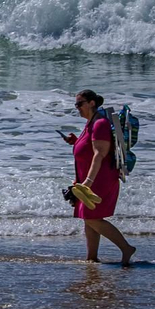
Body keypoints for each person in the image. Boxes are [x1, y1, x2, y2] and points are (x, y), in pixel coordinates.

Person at [61, 89, 136, 266]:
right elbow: (89, 147)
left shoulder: (100, 123)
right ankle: (92, 257)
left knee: (92, 217)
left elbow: (99, 154)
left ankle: (126, 248)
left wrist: (88, 182)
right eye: (76, 105)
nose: (77, 108)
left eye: (80, 104)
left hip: (99, 178)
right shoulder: (90, 123)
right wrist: (76, 141)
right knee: (88, 219)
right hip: (89, 178)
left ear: (92, 103)